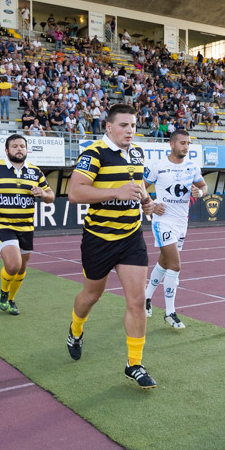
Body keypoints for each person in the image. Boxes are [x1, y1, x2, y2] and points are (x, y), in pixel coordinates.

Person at [66, 104, 157, 388]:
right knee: (92, 295)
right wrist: (116, 191)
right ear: (109, 127)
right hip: (99, 239)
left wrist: (146, 202)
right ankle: (76, 329)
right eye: (124, 125)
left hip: (131, 237)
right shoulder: (94, 154)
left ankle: (135, 364)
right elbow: (74, 192)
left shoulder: (137, 152)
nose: (130, 130)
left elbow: (139, 184)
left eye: (133, 125)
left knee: (137, 300)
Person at [0, 135, 55, 315]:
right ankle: (4, 291)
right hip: (4, 225)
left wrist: (43, 193)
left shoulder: (35, 172)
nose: (19, 149)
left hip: (26, 227)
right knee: (13, 265)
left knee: (22, 268)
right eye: (15, 146)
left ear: (26, 150)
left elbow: (51, 196)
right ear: (7, 150)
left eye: (22, 146)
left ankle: (11, 299)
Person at [143, 129, 208, 330]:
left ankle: (145, 297)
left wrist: (201, 192)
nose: (186, 147)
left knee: (164, 262)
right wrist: (152, 204)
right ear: (172, 144)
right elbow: (140, 187)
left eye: (188, 143)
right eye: (182, 143)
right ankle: (170, 312)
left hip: (182, 222)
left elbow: (204, 187)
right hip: (163, 221)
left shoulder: (192, 167)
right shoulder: (157, 166)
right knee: (175, 265)